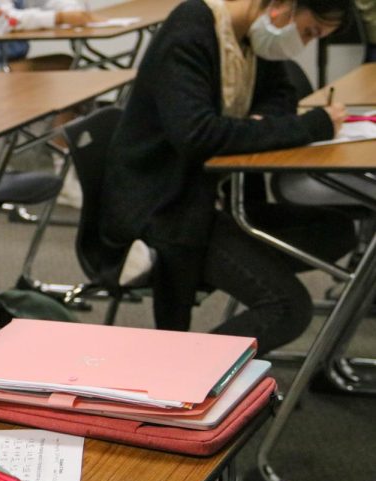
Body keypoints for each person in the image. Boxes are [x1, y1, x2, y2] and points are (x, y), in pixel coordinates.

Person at [100, 0, 357, 355]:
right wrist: (309, 127)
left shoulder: (251, 38)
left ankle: (241, 269)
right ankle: (180, 373)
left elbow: (282, 96)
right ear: (281, 7)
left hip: (211, 199)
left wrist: (250, 127)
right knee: (286, 308)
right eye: (309, 31)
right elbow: (197, 136)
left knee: (337, 230)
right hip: (165, 207)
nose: (305, 43)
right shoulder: (193, 30)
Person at [0, 0, 91, 80]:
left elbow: (50, 2)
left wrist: (75, 12)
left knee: (67, 65)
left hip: (13, 61)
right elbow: (4, 22)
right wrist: (59, 17)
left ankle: (64, 127)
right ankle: (61, 128)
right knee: (64, 69)